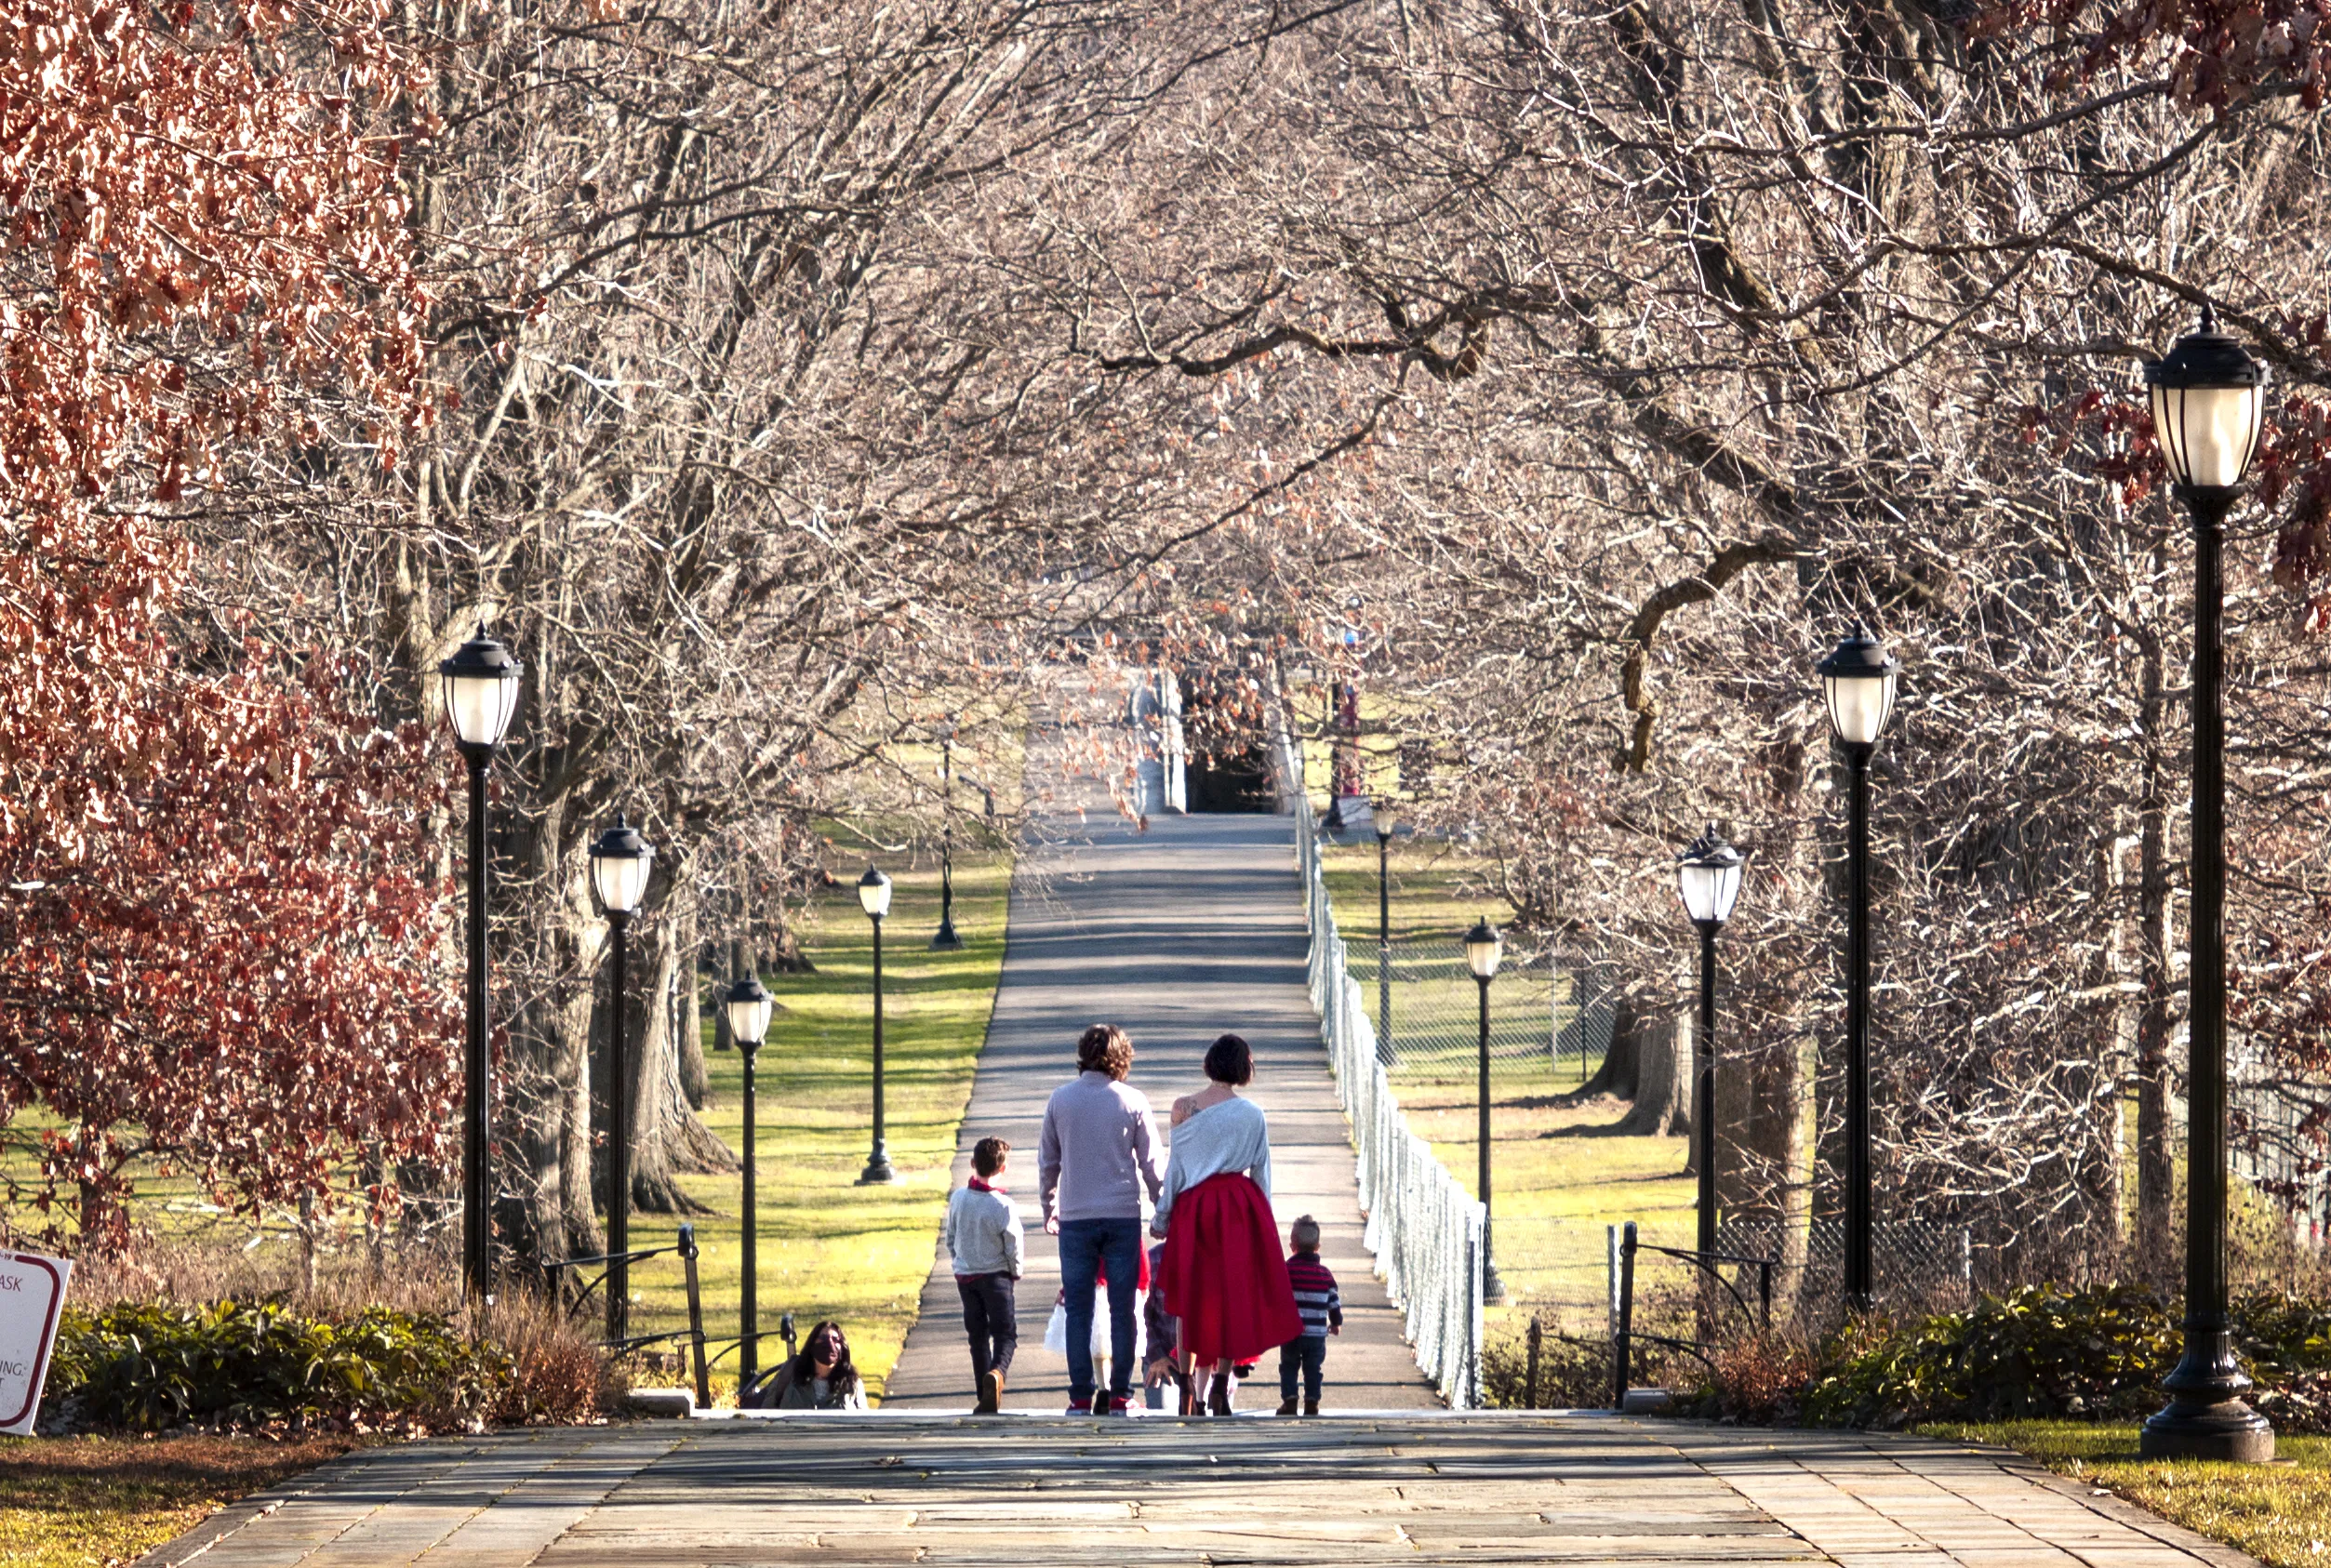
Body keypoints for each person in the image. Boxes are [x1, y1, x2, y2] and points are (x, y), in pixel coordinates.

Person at [1153, 1033, 1302, 1415]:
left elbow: (1177, 1170)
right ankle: (1220, 1382)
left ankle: (1189, 1389)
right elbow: (1261, 1172)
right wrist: (1263, 1222)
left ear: (1209, 1063)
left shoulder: (1183, 1108)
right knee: (1232, 1296)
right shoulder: (1253, 1114)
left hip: (1194, 1209)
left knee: (1189, 1299)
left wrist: (1162, 1216)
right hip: (1239, 1208)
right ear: (1243, 1068)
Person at [1038, 1022, 1165, 1415]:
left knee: (1079, 1308)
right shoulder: (1133, 1101)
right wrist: (1163, 1207)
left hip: (1076, 1217)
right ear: (1121, 1057)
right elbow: (1153, 1165)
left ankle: (1080, 1395)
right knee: (1123, 1307)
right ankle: (1121, 1396)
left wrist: (1050, 1205)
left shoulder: (1060, 1100)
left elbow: (1048, 1161)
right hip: (1121, 1215)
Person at [941, 1135, 1023, 1415]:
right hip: (996, 1278)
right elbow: (1013, 1245)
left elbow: (950, 1237)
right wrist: (1015, 1271)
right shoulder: (1003, 1206)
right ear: (1003, 1168)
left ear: (973, 1163)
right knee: (1005, 1334)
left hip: (966, 1279)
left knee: (977, 1336)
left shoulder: (959, 1198)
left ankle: (983, 1393)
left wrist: (959, 1261)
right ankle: (997, 1374)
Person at [1277, 1215, 1341, 1416]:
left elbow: (1277, 1297)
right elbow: (1334, 1302)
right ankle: (1312, 1400)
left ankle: (1290, 1399)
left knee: (1289, 1365)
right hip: (1316, 1334)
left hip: (1290, 1332)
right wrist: (1336, 1322)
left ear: (1292, 1245)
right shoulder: (1325, 1274)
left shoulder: (1286, 1271)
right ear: (1318, 1247)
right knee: (1313, 1368)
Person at [741, 1321, 868, 1410]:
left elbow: (865, 1425)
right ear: (812, 1345)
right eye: (823, 1338)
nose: (829, 1343)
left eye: (835, 1339)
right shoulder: (791, 1374)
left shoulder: (853, 1384)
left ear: (843, 1347)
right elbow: (766, 1410)